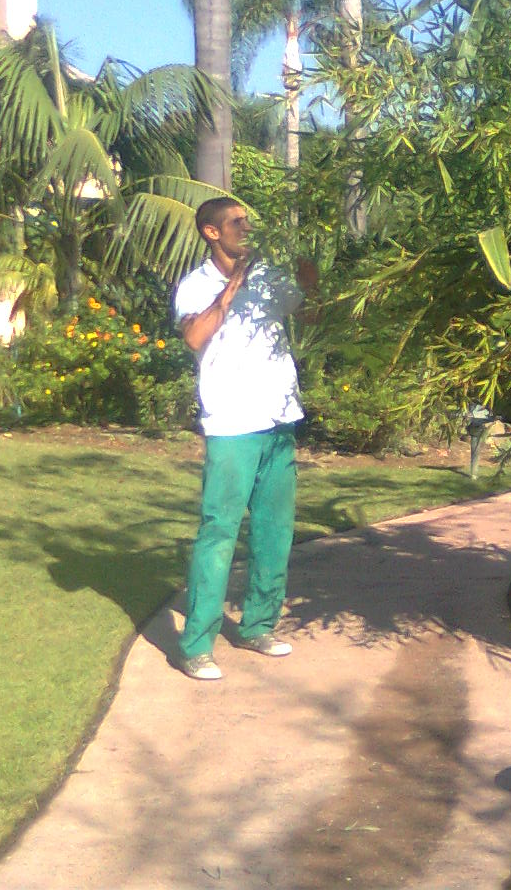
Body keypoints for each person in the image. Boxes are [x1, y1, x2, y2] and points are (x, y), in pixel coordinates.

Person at [171, 196, 313, 681]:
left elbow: (309, 312)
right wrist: (232, 287)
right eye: (237, 222)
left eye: (249, 220)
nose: (247, 227)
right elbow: (194, 337)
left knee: (275, 532)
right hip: (231, 424)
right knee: (219, 532)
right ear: (212, 232)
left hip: (279, 418)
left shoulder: (270, 273)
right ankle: (196, 646)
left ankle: (258, 625)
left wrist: (308, 258)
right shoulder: (196, 284)